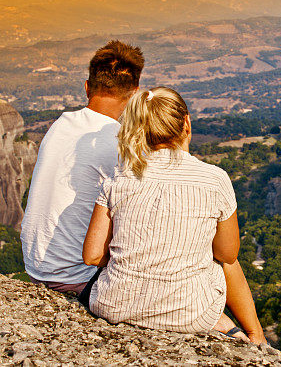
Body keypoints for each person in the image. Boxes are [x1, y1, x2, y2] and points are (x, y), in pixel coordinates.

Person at [82, 87, 267, 344]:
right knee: (221, 260)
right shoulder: (215, 179)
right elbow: (228, 255)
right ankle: (256, 335)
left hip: (113, 305)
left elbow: (91, 255)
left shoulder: (119, 178)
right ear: (186, 123)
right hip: (190, 314)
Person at [20, 40, 144, 294]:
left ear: (87, 87)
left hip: (36, 268)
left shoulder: (60, 125)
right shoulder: (119, 142)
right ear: (133, 94)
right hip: (78, 276)